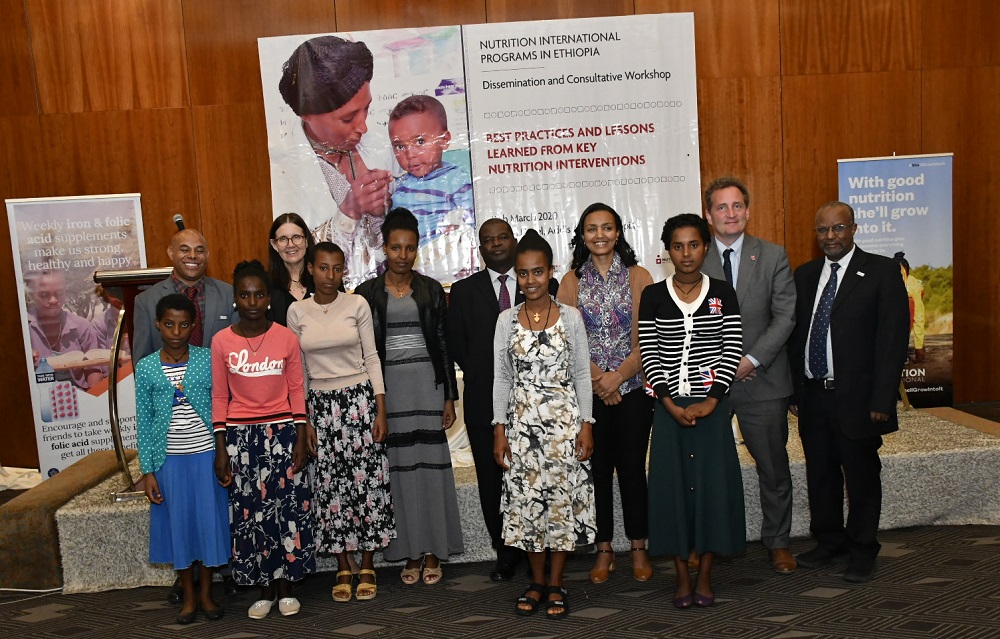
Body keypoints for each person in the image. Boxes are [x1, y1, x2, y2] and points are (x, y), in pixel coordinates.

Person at [789, 201, 909, 583]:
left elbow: (893, 339)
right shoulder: (805, 275)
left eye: (838, 229)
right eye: (822, 230)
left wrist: (882, 400)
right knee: (821, 474)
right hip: (813, 395)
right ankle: (830, 542)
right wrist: (795, 390)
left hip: (858, 398)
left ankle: (862, 549)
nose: (830, 237)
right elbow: (797, 337)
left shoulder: (881, 271)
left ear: (854, 229)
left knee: (861, 477)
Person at [638, 213, 745, 609]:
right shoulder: (653, 294)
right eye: (678, 246)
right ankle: (682, 576)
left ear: (705, 247)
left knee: (713, 491)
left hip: (712, 409)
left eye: (694, 245)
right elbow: (649, 352)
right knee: (672, 493)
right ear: (668, 251)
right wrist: (668, 403)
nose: (687, 253)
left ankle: (705, 575)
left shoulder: (723, 292)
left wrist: (712, 400)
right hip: (668, 411)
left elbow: (731, 348)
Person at [354, 208, 463, 585]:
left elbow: (444, 345)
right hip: (389, 392)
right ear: (384, 248)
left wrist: (449, 397)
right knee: (397, 474)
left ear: (417, 249)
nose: (402, 254)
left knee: (430, 471)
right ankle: (408, 552)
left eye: (410, 248)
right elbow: (363, 352)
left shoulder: (431, 288)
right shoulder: (366, 293)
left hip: (427, 388)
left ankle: (433, 550)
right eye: (395, 247)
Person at [447, 218, 558, 582]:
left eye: (502, 237)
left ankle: (542, 548)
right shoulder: (463, 292)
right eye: (487, 240)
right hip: (483, 400)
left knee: (538, 475)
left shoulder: (544, 284)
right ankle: (506, 553)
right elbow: (457, 346)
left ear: (513, 241)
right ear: (480, 248)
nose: (495, 244)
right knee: (493, 481)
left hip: (538, 402)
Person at [493, 229, 595, 618]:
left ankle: (556, 583)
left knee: (560, 506)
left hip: (564, 428)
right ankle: (535, 582)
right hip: (521, 429)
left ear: (550, 272)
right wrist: (498, 430)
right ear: (516, 276)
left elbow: (582, 376)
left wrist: (587, 424)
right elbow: (502, 379)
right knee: (528, 506)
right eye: (523, 273)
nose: (530, 280)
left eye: (537, 272)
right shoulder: (505, 321)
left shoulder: (570, 317)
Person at [700, 177, 798, 574]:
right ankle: (707, 543)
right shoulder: (693, 258)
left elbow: (786, 316)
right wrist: (721, 365)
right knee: (706, 466)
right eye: (721, 207)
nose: (730, 214)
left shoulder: (773, 256)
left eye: (737, 206)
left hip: (765, 380)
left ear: (747, 210)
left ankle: (778, 543)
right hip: (710, 383)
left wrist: (752, 360)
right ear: (709, 215)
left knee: (773, 466)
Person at [287, 242, 394, 603]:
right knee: (331, 488)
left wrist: (380, 409)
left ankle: (367, 562)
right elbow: (298, 372)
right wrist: (305, 422)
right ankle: (342, 564)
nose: (329, 276)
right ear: (310, 270)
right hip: (320, 408)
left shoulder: (357, 304)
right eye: (322, 268)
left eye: (336, 269)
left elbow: (372, 357)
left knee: (366, 484)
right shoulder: (296, 312)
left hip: (360, 402)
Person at [212, 260, 316, 619]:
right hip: (242, 438)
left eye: (259, 294)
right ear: (235, 299)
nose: (252, 301)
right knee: (251, 514)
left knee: (286, 510)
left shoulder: (286, 338)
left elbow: (296, 390)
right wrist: (221, 448)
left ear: (269, 299)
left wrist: (301, 437)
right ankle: (264, 588)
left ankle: (286, 586)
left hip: (283, 433)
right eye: (245, 294)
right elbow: (220, 397)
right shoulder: (221, 341)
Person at [557, 203, 654, 584]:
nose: (600, 235)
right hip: (590, 393)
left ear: (618, 233)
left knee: (631, 470)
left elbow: (650, 335)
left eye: (607, 228)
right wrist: (600, 379)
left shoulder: (639, 276)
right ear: (582, 235)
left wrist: (619, 377)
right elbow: (566, 340)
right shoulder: (570, 281)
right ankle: (604, 550)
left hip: (633, 389)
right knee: (597, 471)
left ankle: (639, 548)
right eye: (592, 229)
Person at [135, 294, 229, 625]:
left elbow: (221, 408)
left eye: (184, 324)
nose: (176, 331)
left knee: (206, 526)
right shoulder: (146, 368)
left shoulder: (207, 359)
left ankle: (206, 593)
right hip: (169, 463)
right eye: (169, 324)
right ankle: (188, 597)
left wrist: (223, 454)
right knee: (180, 529)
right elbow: (144, 422)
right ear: (158, 324)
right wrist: (148, 471)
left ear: (193, 326)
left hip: (205, 458)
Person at [276, 35, 393, 289]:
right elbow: (294, 256)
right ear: (306, 115)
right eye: (348, 118)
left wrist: (385, 210)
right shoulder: (286, 174)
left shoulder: (382, 147)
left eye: (367, 109)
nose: (363, 126)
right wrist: (350, 211)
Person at [388, 94, 476, 281]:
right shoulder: (400, 187)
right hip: (413, 264)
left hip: (446, 257)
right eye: (400, 146)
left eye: (420, 142)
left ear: (444, 140)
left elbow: (472, 220)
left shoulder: (456, 179)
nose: (410, 154)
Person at [133, 229, 236, 362]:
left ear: (207, 254)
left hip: (219, 381)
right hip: (168, 381)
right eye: (184, 250)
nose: (193, 256)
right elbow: (142, 363)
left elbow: (239, 351)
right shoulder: (146, 301)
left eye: (199, 251)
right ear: (171, 252)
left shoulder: (229, 294)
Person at [26, 269, 103, 389]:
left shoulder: (82, 326)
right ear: (32, 295)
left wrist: (93, 399)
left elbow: (94, 368)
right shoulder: (22, 327)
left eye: (58, 293)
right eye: (44, 295)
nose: (53, 301)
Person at [267, 213, 315, 325]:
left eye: (296, 237)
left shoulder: (324, 279)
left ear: (306, 241)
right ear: (274, 245)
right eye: (283, 239)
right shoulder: (265, 287)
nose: (290, 245)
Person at [893, 251, 926, 363]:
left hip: (909, 308)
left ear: (906, 272)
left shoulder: (914, 287)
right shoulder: (886, 282)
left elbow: (919, 317)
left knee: (909, 304)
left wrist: (918, 347)